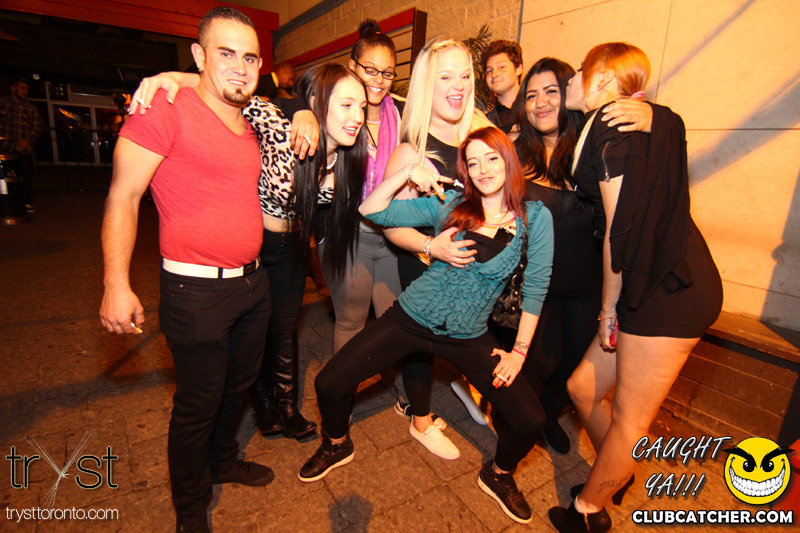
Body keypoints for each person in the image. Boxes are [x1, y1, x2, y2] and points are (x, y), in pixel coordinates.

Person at [299, 127, 554, 525]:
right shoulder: (450, 203)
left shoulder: (534, 219)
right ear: (465, 171)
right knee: (329, 384)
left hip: (469, 337)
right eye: (473, 162)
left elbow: (537, 287)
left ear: (508, 160)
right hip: (411, 319)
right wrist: (406, 175)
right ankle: (336, 443)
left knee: (530, 419)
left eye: (492, 158)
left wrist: (518, 352)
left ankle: (498, 474)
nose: (484, 169)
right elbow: (372, 210)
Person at [100, 8, 276, 532]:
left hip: (253, 284)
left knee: (237, 387)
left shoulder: (251, 116)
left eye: (250, 57)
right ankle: (191, 507)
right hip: (194, 291)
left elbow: (293, 110)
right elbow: (123, 196)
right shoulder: (164, 108)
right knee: (198, 404)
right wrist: (115, 283)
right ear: (199, 55)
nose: (240, 67)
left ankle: (223, 461)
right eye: (226, 53)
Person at [548, 42, 722, 532]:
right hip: (641, 283)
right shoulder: (615, 125)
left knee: (630, 417)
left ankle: (589, 511)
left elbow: (619, 234)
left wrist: (608, 310)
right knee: (583, 388)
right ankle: (616, 470)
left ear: (603, 78)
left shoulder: (616, 130)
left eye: (579, 72)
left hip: (668, 290)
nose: (570, 80)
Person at [380, 37, 493, 458]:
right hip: (427, 267)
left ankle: (465, 385)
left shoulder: (479, 138)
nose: (458, 85)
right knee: (421, 346)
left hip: (473, 270)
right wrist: (433, 246)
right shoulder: (412, 152)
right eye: (446, 77)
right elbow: (392, 227)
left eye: (465, 75)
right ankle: (421, 420)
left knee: (469, 335)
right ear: (427, 83)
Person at [0, 78, 44, 213]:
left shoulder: (31, 108)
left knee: (26, 176)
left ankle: (26, 202)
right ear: (13, 88)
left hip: (25, 150)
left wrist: (27, 140)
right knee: (6, 177)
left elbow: (37, 127)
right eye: (22, 88)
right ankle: (7, 203)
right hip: (5, 149)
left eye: (26, 89)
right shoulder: (3, 104)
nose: (25, 91)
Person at [482, 40, 523, 133]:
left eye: (501, 67)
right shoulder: (483, 123)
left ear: (518, 69)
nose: (494, 74)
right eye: (489, 70)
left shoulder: (536, 110)